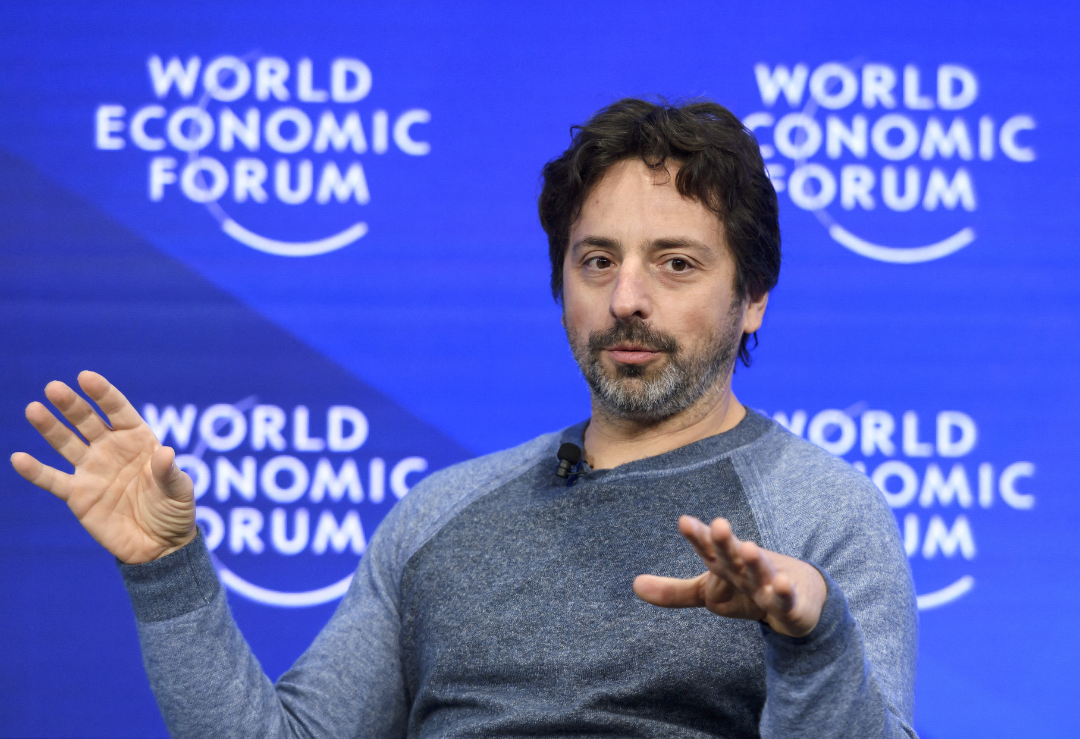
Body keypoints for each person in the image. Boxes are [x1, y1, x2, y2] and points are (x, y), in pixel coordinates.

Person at [10, 98, 917, 738]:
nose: (627, 298)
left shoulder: (820, 513)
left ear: (753, 297)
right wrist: (169, 571)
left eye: (676, 265)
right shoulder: (439, 515)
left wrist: (810, 640)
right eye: (596, 261)